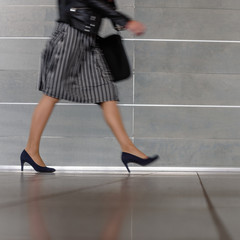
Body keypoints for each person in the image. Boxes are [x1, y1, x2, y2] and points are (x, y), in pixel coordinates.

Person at [20, 0, 159, 173]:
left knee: (106, 92)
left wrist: (115, 16)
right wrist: (124, 20)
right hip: (70, 34)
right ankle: (30, 150)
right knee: (52, 92)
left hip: (88, 38)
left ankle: (128, 149)